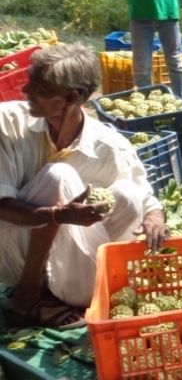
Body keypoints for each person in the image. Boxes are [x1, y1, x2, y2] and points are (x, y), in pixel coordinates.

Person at [0, 45, 168, 328]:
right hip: (11, 250)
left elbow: (146, 195)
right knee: (58, 177)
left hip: (66, 262)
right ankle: (27, 296)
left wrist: (155, 219)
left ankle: (79, 294)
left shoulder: (107, 144)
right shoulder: (7, 123)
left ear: (70, 97)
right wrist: (58, 215)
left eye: (38, 87)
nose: (25, 91)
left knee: (127, 197)